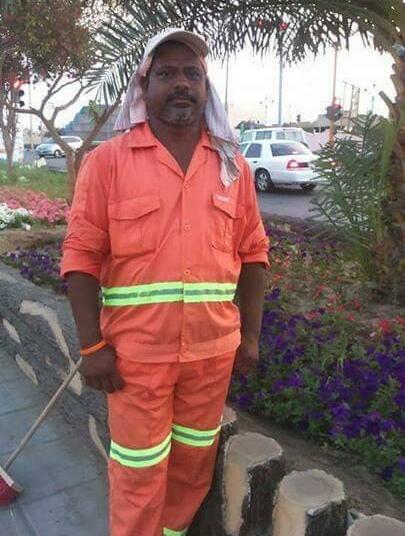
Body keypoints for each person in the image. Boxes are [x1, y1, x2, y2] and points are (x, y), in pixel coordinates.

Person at [61, 27, 269, 536]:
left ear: (205, 88)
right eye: (167, 74)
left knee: (192, 469)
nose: (181, 84)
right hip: (136, 359)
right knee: (138, 472)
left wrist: (250, 337)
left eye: (192, 75)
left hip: (211, 356)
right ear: (144, 85)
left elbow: (254, 254)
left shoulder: (233, 167)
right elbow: (81, 257)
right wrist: (92, 347)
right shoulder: (107, 163)